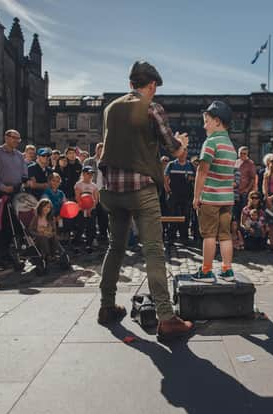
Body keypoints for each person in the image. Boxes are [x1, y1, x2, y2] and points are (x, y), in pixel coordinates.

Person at [98, 60, 192, 339]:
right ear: (151, 85)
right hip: (140, 188)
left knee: (115, 247)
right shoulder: (151, 106)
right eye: (154, 88)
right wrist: (183, 143)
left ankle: (106, 306)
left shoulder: (110, 108)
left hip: (111, 189)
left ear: (130, 84)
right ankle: (166, 318)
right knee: (153, 249)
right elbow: (173, 149)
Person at [191, 101, 236, 282]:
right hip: (227, 199)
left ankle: (207, 271)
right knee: (225, 236)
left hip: (210, 198)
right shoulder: (231, 146)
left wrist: (196, 197)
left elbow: (202, 171)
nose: (204, 125)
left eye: (206, 120)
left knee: (209, 235)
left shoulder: (210, 142)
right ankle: (227, 269)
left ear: (217, 121)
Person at [0, 129, 28, 270]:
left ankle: (15, 255)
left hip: (17, 194)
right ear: (6, 137)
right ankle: (1, 258)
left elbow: (24, 173)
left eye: (19, 139)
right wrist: (3, 187)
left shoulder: (19, 155)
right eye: (14, 138)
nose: (17, 141)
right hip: (2, 194)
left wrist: (22, 183)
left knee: (17, 225)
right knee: (2, 226)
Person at [164, 146, 195, 242]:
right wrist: (169, 191)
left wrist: (192, 178)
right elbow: (165, 179)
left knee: (186, 217)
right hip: (174, 196)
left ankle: (184, 237)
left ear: (186, 154)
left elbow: (196, 178)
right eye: (181, 153)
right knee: (172, 217)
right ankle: (171, 237)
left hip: (187, 196)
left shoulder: (190, 165)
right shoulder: (171, 165)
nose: (182, 155)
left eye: (184, 153)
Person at [84, 142, 108, 240]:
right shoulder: (89, 161)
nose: (101, 151)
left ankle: (103, 234)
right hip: (91, 191)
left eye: (103, 149)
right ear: (96, 150)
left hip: (103, 191)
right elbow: (83, 175)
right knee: (91, 216)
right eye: (99, 149)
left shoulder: (107, 162)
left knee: (104, 215)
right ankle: (92, 236)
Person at [74, 166, 99, 252]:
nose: (90, 175)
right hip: (81, 209)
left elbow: (96, 199)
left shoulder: (94, 186)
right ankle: (77, 244)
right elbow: (77, 198)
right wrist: (84, 208)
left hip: (92, 209)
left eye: (91, 174)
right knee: (80, 226)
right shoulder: (78, 185)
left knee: (91, 226)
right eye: (88, 173)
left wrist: (90, 209)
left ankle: (89, 244)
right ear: (83, 174)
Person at [235, 146, 256, 214]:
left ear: (247, 154)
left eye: (244, 153)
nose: (242, 155)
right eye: (241, 153)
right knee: (236, 211)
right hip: (235, 191)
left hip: (244, 192)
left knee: (244, 211)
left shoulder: (250, 163)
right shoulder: (236, 162)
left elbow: (253, 178)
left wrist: (247, 189)